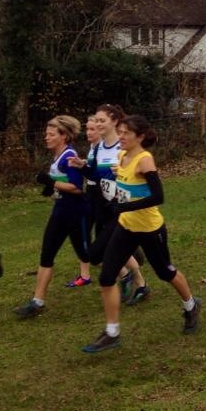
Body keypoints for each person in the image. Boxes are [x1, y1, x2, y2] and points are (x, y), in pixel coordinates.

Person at [81, 115, 201, 352]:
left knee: (165, 272)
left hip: (149, 229)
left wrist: (124, 206)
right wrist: (116, 197)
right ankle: (112, 333)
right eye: (120, 132)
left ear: (140, 137)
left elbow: (158, 197)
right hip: (126, 227)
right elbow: (125, 188)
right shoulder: (121, 156)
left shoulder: (145, 160)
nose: (121, 136)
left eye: (126, 133)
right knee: (106, 277)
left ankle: (191, 305)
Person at [14, 115, 92, 318]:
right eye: (46, 134)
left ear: (63, 136)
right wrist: (51, 188)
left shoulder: (69, 156)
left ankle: (128, 262)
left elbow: (77, 187)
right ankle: (37, 302)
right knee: (47, 254)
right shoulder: (57, 157)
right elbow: (61, 183)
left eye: (51, 134)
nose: (46, 137)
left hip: (76, 213)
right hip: (60, 212)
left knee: (91, 254)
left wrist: (51, 182)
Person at [69, 104, 147, 304]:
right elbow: (95, 176)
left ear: (114, 121)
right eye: (96, 120)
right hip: (103, 205)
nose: (97, 124)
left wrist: (122, 172)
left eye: (101, 120)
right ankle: (139, 283)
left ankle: (130, 277)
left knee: (99, 252)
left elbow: (143, 172)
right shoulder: (99, 147)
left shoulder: (124, 146)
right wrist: (81, 167)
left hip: (122, 206)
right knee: (109, 250)